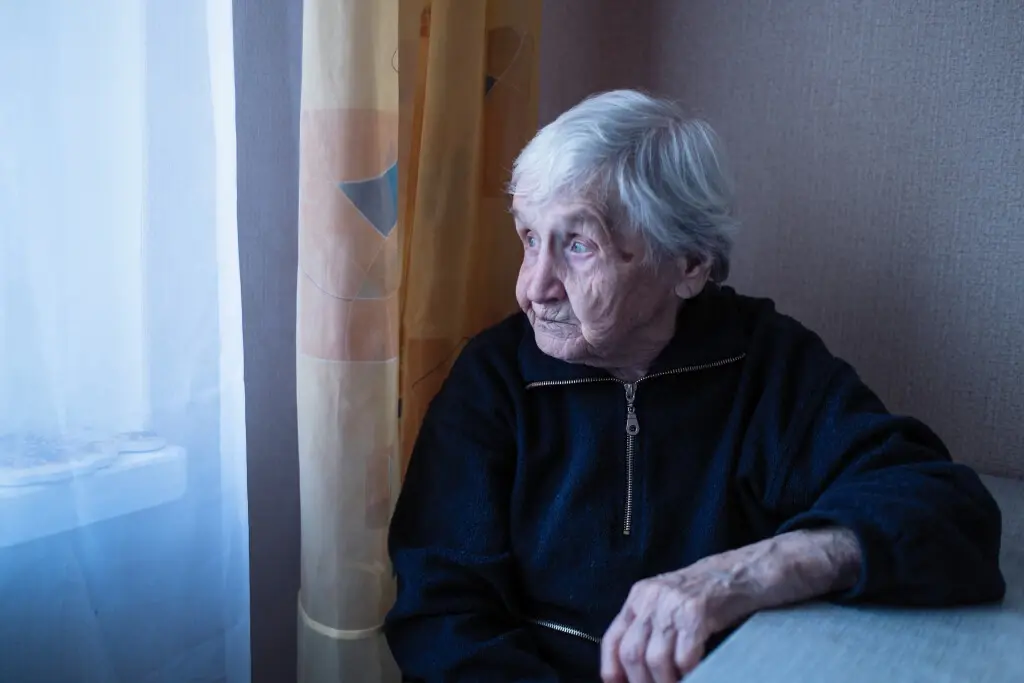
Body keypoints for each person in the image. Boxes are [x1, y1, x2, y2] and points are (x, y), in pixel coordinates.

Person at [384, 90, 1005, 683]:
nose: (533, 287)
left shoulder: (764, 364)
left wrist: (750, 572)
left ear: (687, 265)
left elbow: (948, 513)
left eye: (577, 245)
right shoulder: (494, 380)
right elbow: (439, 614)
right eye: (528, 237)